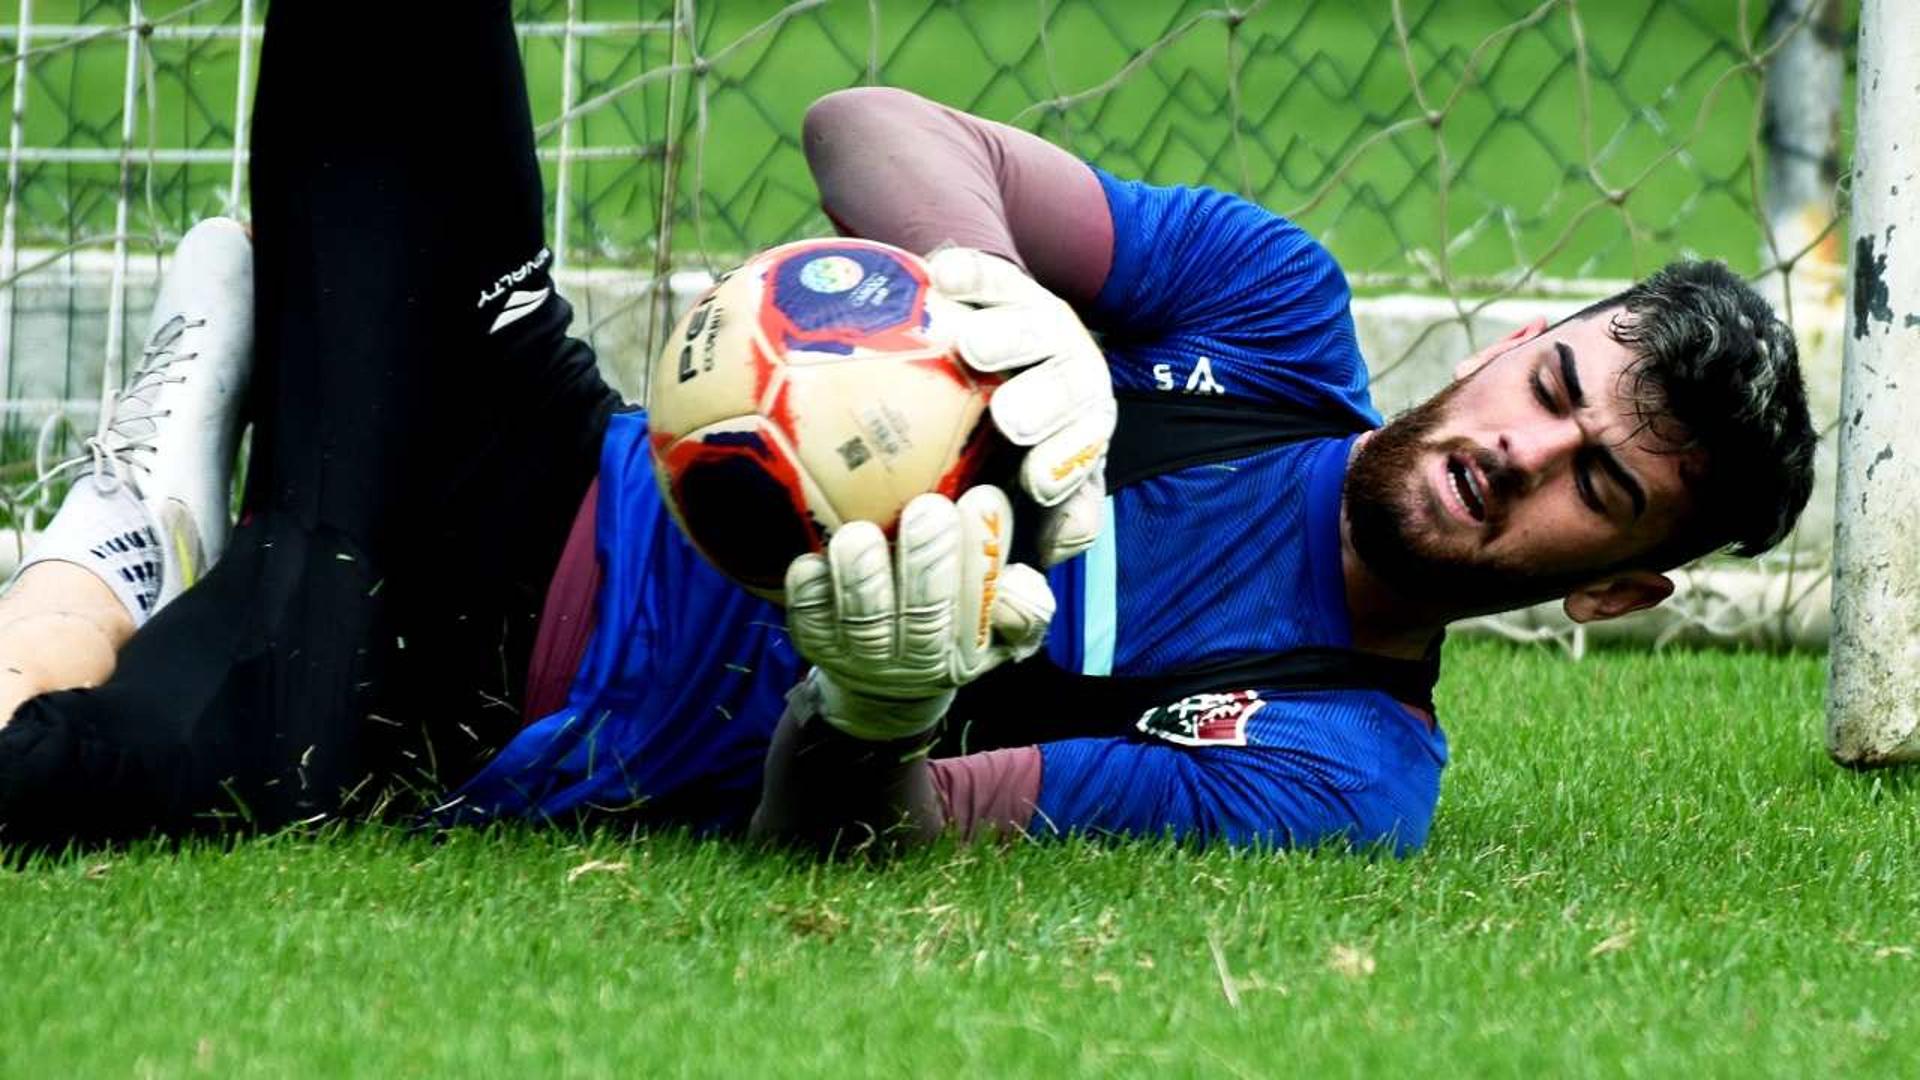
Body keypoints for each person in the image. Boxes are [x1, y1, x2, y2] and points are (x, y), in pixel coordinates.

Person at [0, 6, 1817, 856]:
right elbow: (869, 122)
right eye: (1555, 390)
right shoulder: (1275, 313)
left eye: (1599, 485)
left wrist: (867, 710)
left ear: (1616, 591)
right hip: (508, 404)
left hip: (451, 682)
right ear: (1520, 339)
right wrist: (1000, 299)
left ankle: (120, 537)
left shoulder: (1340, 767)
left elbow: (866, 831)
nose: (1526, 448)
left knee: (48, 776)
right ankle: (202, 482)